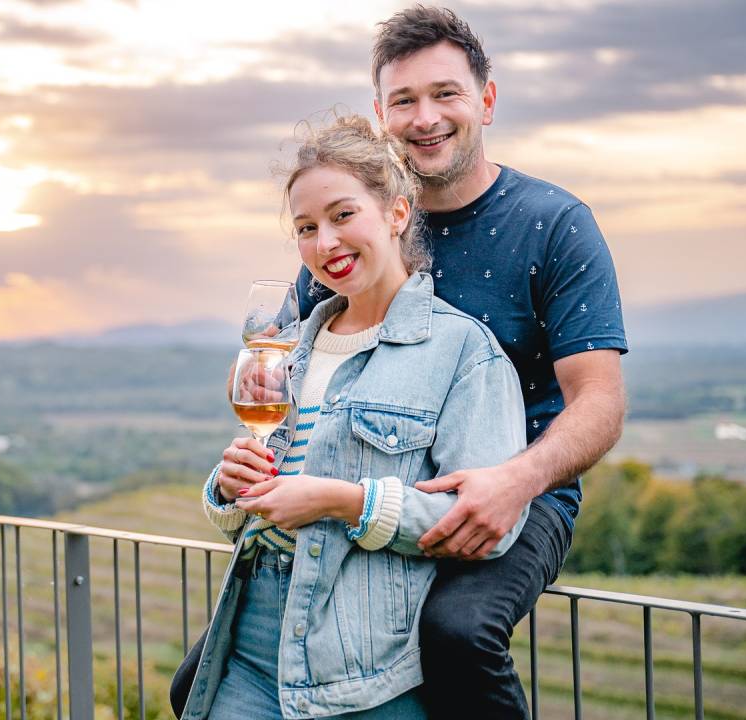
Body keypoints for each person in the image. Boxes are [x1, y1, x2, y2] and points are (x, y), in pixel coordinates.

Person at [174, 6, 628, 719]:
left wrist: (516, 480)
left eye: (445, 93)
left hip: (517, 485)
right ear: (380, 115)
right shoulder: (350, 236)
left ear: (486, 99)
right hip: (378, 480)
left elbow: (599, 398)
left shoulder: (553, 223)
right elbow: (299, 376)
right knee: (195, 679)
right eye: (404, 100)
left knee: (455, 633)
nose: (426, 117)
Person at [178, 116, 530, 719]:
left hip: (362, 662)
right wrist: (230, 487)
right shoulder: (290, 350)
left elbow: (482, 525)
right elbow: (256, 507)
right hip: (250, 644)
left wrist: (343, 502)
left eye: (343, 215)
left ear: (397, 213)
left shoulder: (464, 353)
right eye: (306, 228)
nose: (325, 243)